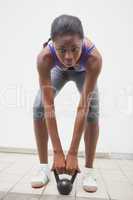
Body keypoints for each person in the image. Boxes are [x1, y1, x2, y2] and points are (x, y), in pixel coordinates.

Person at [31, 14, 102, 192]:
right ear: (53, 43)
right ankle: (43, 168)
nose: (69, 57)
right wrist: (57, 152)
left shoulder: (94, 58)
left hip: (83, 72)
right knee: (39, 106)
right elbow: (49, 106)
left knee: (92, 109)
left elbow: (82, 106)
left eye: (75, 49)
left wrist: (72, 153)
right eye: (62, 49)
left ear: (82, 42)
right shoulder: (44, 58)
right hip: (58, 71)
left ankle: (89, 170)